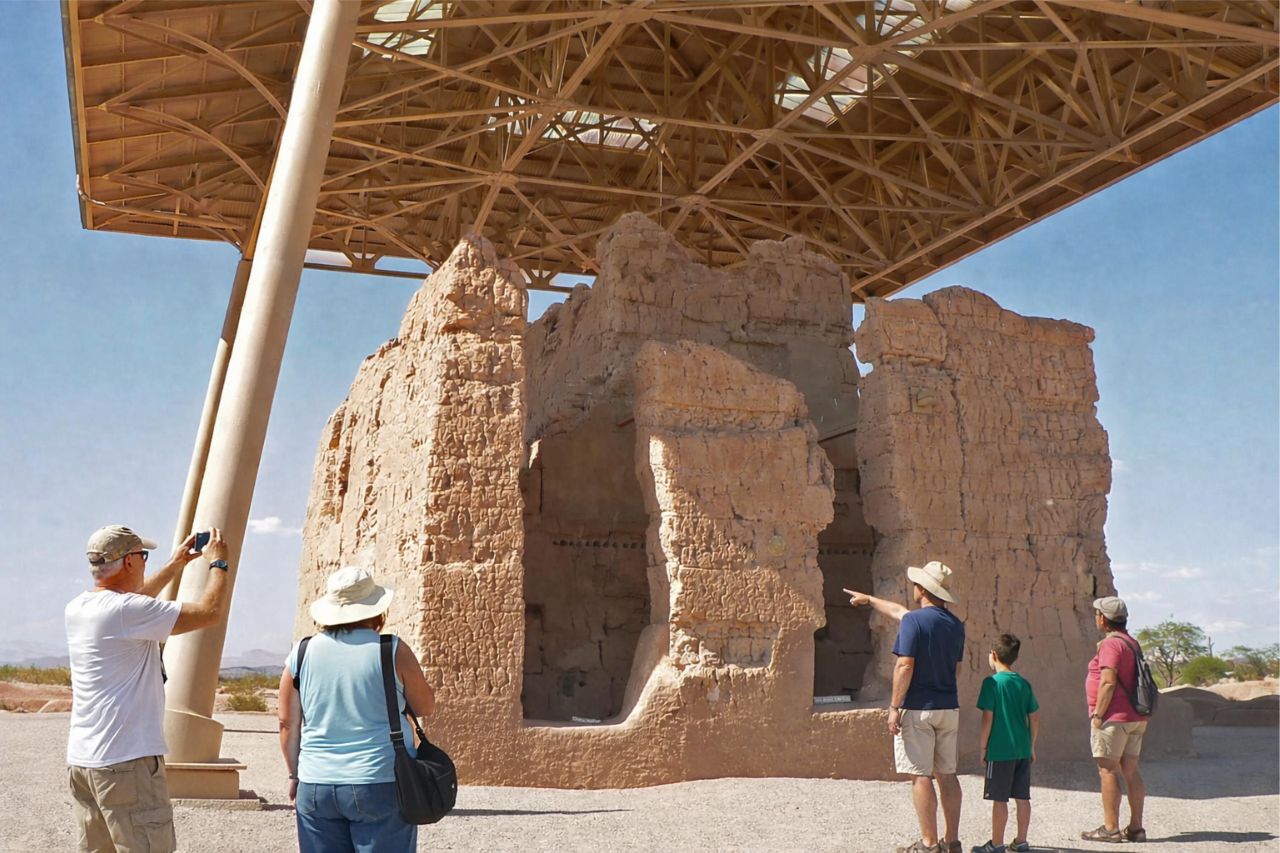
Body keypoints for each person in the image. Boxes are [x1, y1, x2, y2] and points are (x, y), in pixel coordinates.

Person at [66, 524, 232, 853]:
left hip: (85, 762)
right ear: (129, 562)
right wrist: (219, 564)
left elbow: (132, 604)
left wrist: (175, 564)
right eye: (143, 556)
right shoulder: (128, 612)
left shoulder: (81, 608)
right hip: (126, 761)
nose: (145, 563)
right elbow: (210, 613)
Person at [279, 566, 436, 853]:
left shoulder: (300, 654)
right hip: (379, 779)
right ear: (376, 610)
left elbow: (288, 724)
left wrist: (294, 776)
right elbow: (425, 705)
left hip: (316, 783)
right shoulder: (391, 650)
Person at [846, 560, 966, 853]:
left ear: (922, 589)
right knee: (947, 775)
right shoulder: (955, 625)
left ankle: (928, 845)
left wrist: (894, 706)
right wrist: (870, 599)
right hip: (948, 707)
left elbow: (904, 665)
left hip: (918, 708)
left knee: (921, 776)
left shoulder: (915, 622)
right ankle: (951, 842)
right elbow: (957, 668)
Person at [1081, 596, 1148, 843]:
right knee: (1131, 770)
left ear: (1103, 618)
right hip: (1135, 716)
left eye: (1097, 614)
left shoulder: (1111, 645)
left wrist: (1098, 714)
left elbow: (1108, 681)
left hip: (1114, 717)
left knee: (1107, 770)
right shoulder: (1132, 642)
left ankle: (1110, 828)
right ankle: (1136, 828)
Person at [973, 634, 1039, 853]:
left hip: (1000, 751)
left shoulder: (991, 683)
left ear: (993, 655)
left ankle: (996, 844)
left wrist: (983, 747)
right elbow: (1034, 716)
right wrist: (1031, 745)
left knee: (999, 799)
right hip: (1021, 749)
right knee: (1022, 796)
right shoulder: (1024, 683)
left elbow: (987, 718)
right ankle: (1021, 841)